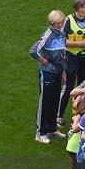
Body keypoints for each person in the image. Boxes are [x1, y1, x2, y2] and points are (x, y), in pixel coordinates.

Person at [58, 0, 85, 128]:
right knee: (69, 86)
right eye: (82, 7)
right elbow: (61, 41)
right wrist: (79, 44)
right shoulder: (68, 21)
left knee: (84, 87)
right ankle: (59, 115)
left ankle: (79, 113)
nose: (84, 9)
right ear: (76, 8)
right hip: (72, 57)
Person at [30, 10, 67, 143]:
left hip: (57, 72)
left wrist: (63, 72)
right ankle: (40, 133)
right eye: (60, 22)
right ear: (54, 23)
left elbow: (62, 55)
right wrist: (42, 60)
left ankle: (51, 129)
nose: (62, 24)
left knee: (54, 100)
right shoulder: (48, 35)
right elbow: (33, 50)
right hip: (47, 73)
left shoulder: (62, 34)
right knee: (45, 102)